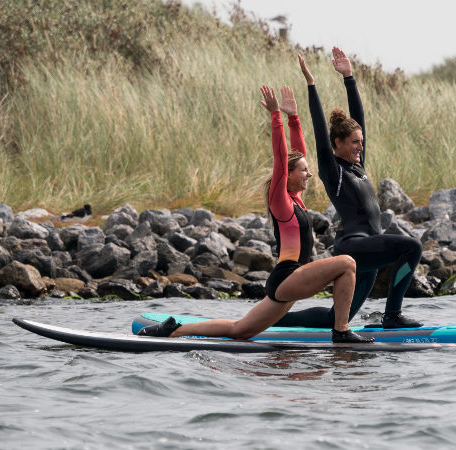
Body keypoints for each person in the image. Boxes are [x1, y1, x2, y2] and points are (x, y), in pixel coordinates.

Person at [138, 85, 373, 344]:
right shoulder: (281, 201)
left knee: (240, 330)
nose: (309, 174)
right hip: (288, 277)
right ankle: (341, 330)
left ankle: (172, 330)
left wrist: (294, 118)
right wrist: (275, 116)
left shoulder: (296, 199)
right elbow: (282, 157)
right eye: (303, 171)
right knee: (347, 263)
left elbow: (298, 153)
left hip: (290, 285)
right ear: (289, 174)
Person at [275, 48, 423, 329]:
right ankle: (392, 316)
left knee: (336, 318)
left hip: (368, 252)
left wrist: (349, 77)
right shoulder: (334, 172)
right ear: (339, 143)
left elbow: (359, 116)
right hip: (354, 246)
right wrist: (311, 84)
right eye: (354, 142)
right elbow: (320, 129)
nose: (360, 146)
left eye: (362, 141)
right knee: (412, 247)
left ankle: (275, 321)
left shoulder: (358, 166)